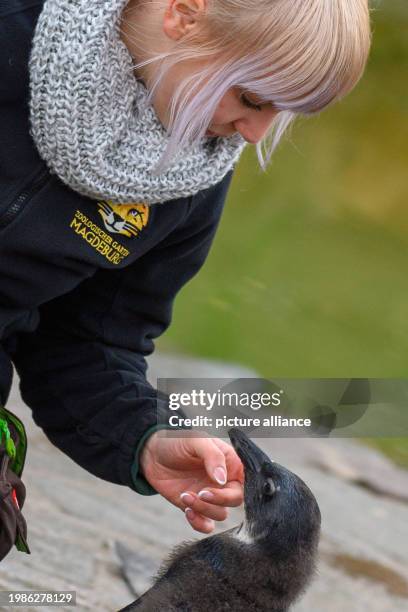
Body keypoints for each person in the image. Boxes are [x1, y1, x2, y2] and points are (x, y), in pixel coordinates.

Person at [0, 0, 371, 557]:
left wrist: (145, 439)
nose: (253, 134)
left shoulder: (192, 177)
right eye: (252, 99)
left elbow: (86, 343)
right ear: (183, 13)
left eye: (281, 114)